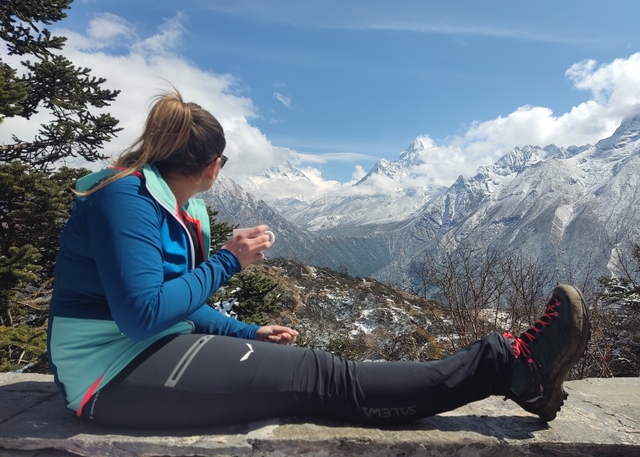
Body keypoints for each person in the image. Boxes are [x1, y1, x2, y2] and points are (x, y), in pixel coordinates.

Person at [47, 89, 591, 429]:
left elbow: (173, 305)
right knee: (326, 381)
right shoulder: (126, 197)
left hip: (146, 349)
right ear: (214, 165)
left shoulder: (179, 207)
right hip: (108, 372)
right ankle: (509, 366)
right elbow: (139, 313)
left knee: (322, 372)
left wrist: (246, 330)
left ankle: (511, 367)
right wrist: (229, 262)